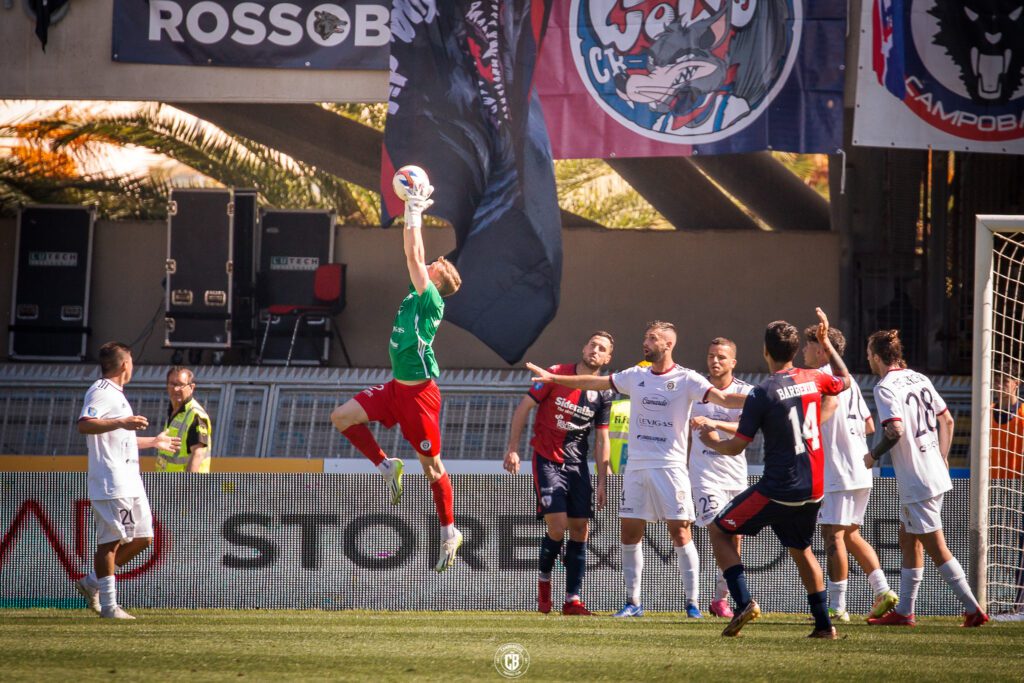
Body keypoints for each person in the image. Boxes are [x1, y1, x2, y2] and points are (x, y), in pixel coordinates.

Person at [527, 321, 747, 619]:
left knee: (680, 532)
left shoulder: (687, 378)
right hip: (637, 467)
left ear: (668, 344)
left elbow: (724, 398)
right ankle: (633, 602)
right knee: (630, 533)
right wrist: (554, 378)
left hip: (670, 467)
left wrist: (764, 397)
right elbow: (595, 383)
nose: (646, 342)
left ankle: (692, 604)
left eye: (652, 338)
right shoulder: (635, 375)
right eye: (645, 337)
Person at [330, 181, 465, 573]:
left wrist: (414, 211)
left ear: (436, 279)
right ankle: (387, 466)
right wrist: (411, 212)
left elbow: (414, 252)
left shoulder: (431, 297)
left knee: (433, 468)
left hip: (419, 397)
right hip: (395, 390)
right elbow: (412, 253)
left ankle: (450, 531)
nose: (428, 263)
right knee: (341, 417)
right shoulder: (416, 292)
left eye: (434, 265)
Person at [698, 311, 847, 639]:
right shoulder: (814, 378)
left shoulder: (761, 393)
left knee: (719, 530)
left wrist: (712, 441)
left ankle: (743, 603)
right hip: (814, 487)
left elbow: (737, 446)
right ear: (794, 351)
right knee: (801, 548)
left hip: (780, 488)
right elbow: (844, 380)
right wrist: (826, 345)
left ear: (765, 351)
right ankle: (824, 625)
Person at [864, 329, 989, 627]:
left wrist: (872, 456)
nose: (868, 359)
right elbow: (947, 420)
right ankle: (905, 612)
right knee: (908, 539)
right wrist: (942, 456)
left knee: (936, 546)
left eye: (869, 354)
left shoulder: (885, 387)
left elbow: (894, 430)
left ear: (878, 357)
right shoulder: (919, 378)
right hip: (932, 469)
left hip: (917, 478)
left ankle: (973, 609)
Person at [504, 332, 616, 616]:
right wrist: (513, 449)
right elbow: (524, 407)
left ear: (607, 358)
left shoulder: (604, 392)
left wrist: (602, 480)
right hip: (547, 460)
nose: (595, 350)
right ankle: (544, 584)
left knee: (580, 529)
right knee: (557, 526)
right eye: (592, 344)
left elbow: (602, 439)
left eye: (601, 348)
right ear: (584, 347)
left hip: (577, 465)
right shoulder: (555, 373)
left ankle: (572, 600)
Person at [73, 342, 179, 619]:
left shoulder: (118, 395)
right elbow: (84, 424)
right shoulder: (101, 390)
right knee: (110, 542)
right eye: (131, 361)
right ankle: (110, 606)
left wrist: (153, 442)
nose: (133, 366)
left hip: (130, 480)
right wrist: (122, 422)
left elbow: (120, 439)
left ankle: (92, 582)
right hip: (111, 480)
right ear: (124, 364)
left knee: (143, 538)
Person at [801, 324, 898, 622]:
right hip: (859, 467)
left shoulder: (822, 377)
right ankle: (882, 590)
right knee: (851, 534)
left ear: (821, 349)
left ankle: (837, 607)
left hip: (839, 470)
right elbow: (868, 426)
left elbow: (827, 411)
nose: (803, 351)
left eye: (808, 345)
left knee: (833, 535)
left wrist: (810, 430)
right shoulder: (849, 380)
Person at [687, 338, 753, 619]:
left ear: (733, 362)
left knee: (734, 538)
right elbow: (686, 434)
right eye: (711, 356)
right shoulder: (696, 390)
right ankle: (699, 599)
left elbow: (748, 429)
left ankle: (720, 599)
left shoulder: (746, 392)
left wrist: (715, 423)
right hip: (703, 475)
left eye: (721, 357)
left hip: (735, 475)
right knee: (718, 530)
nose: (715, 361)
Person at [990, 361, 1024, 616]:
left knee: (1020, 547)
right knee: (996, 547)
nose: (1000, 384)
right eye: (997, 379)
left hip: (1019, 486)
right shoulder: (987, 413)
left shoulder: (1022, 414)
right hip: (993, 488)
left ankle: (1019, 603)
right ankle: (996, 599)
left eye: (1005, 380)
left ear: (1016, 384)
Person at [156, 366, 212, 473]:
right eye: (172, 384)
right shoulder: (174, 410)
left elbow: (198, 453)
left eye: (181, 385)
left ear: (191, 387)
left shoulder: (195, 415)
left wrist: (187, 482)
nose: (176, 389)